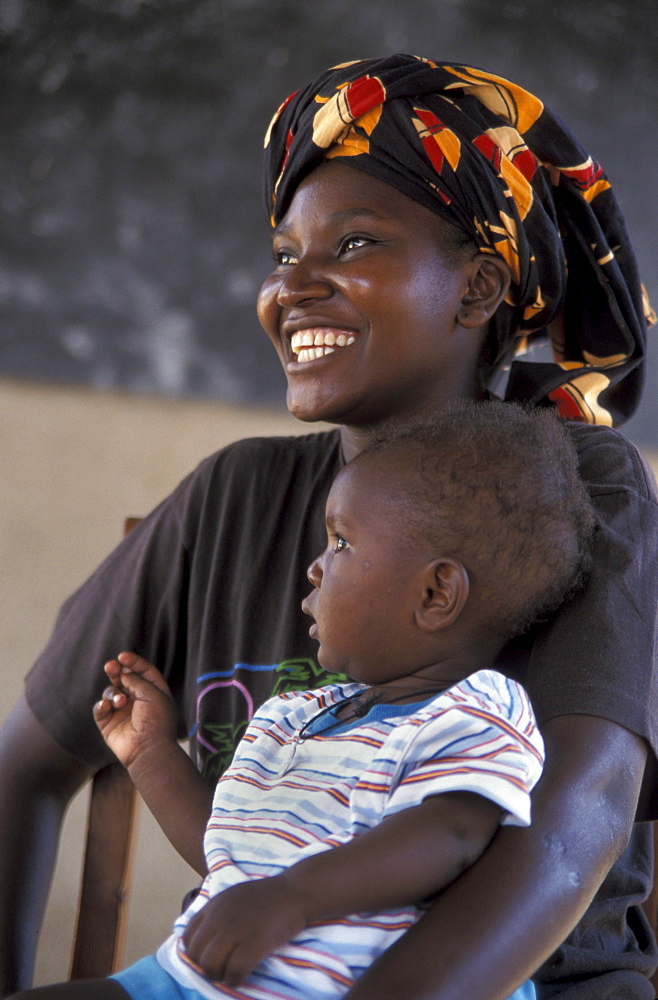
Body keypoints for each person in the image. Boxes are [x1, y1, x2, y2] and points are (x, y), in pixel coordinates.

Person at [1, 54, 656, 1000]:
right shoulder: (231, 499)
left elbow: (579, 818)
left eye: (351, 245)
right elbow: (23, 767)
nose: (292, 287)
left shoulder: (578, 486)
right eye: (282, 255)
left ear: (477, 289)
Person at [10, 400, 595, 1000]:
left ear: (436, 592)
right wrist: (149, 753)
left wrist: (292, 899)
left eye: (340, 542)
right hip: (185, 981)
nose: (314, 569)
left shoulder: (476, 712)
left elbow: (449, 835)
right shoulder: (293, 717)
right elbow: (230, 848)